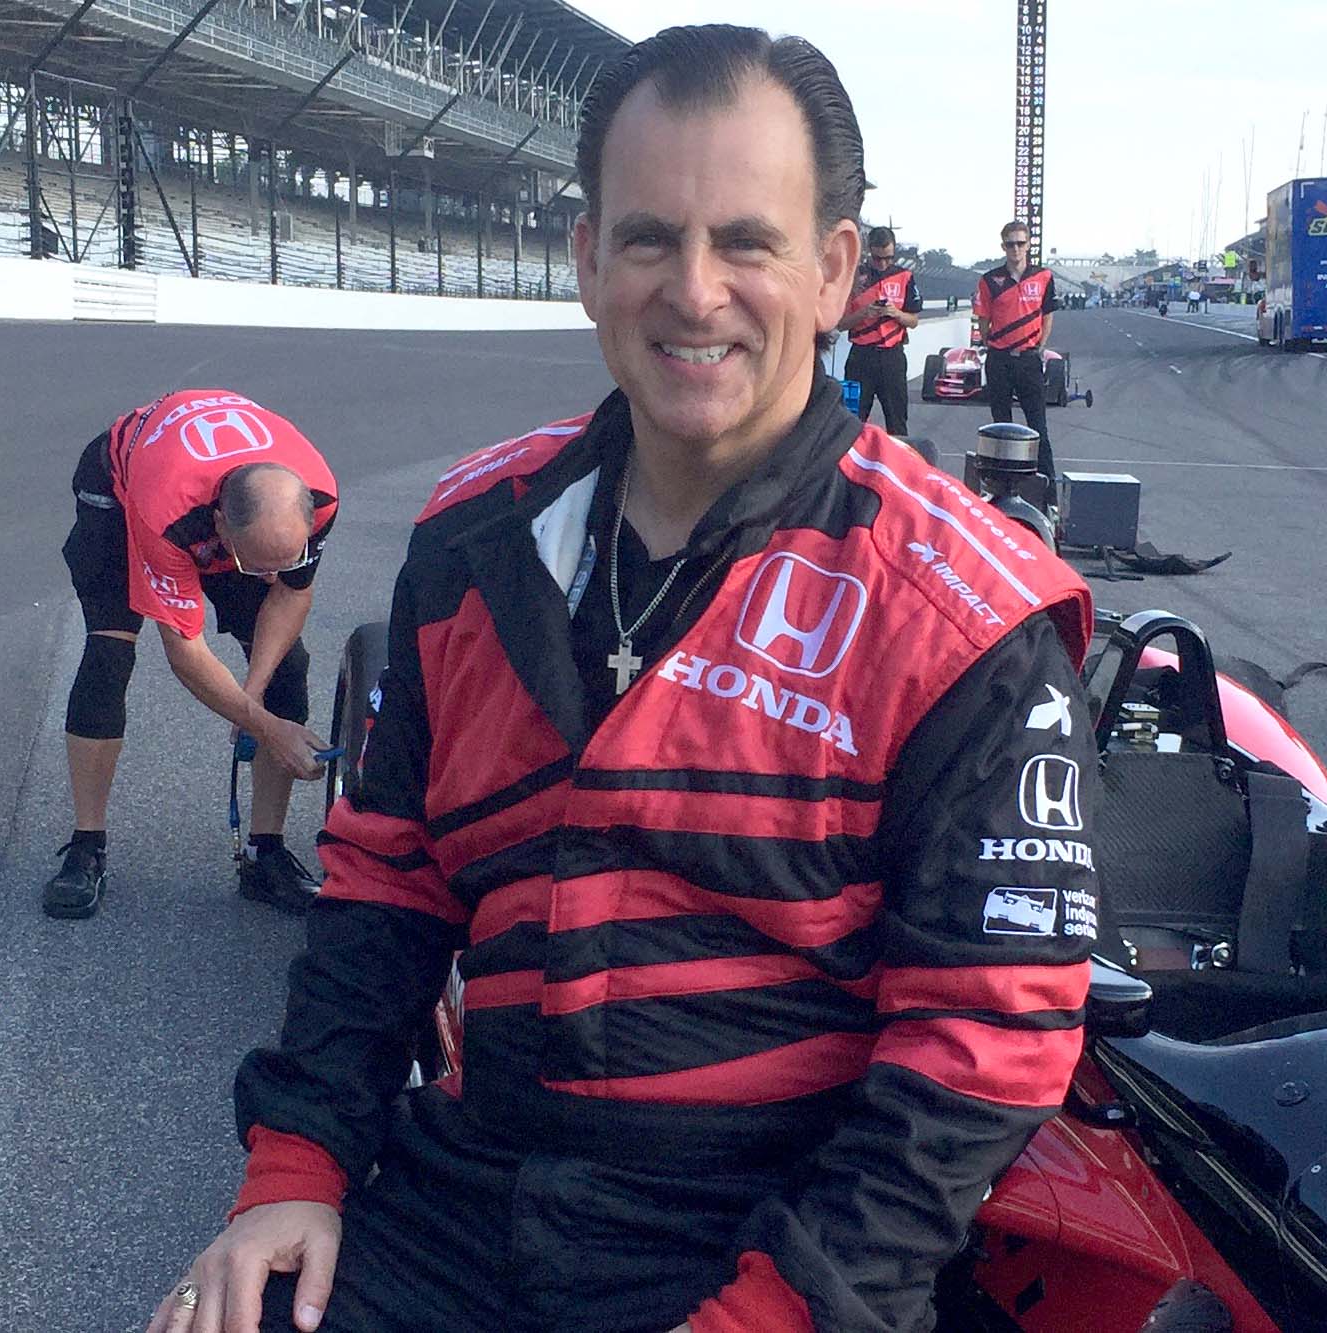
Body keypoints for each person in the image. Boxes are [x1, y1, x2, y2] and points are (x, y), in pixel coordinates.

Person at [151, 26, 1099, 1333]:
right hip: (465, 1189)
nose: (694, 293)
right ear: (589, 259)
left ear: (832, 274)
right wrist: (294, 1168)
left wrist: (775, 1313)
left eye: (746, 244)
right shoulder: (471, 541)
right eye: (651, 239)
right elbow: (387, 884)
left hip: (760, 1232)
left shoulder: (968, 610)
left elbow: (981, 1042)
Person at [44, 389, 338, 920]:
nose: (271, 576)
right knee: (109, 654)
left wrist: (254, 695)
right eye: (257, 566)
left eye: (284, 560)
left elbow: (291, 591)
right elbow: (185, 652)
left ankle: (264, 853)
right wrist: (266, 727)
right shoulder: (169, 512)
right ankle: (87, 845)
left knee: (287, 668)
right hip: (122, 483)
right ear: (221, 528)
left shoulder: (317, 495)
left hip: (225, 495)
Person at [974, 220, 1060, 479]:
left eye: (1020, 243)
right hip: (999, 360)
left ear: (1028, 244)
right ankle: (1001, 485)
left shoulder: (1043, 276)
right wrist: (994, 345)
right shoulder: (990, 280)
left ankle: (1047, 489)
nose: (1015, 249)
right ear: (1003, 246)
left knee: (1038, 428)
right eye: (1010, 244)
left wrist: (1039, 347)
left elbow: (1047, 316)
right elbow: (983, 320)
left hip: (1028, 360)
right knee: (1001, 429)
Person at [835, 225, 922, 436]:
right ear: (868, 252)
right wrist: (865, 313)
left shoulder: (905, 277)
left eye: (888, 258)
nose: (883, 263)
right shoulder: (854, 277)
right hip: (861, 357)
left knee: (898, 422)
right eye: (877, 258)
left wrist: (896, 313)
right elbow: (840, 324)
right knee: (851, 421)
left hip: (892, 356)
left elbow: (914, 320)